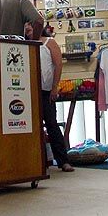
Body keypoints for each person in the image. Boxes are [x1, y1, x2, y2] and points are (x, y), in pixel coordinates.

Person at [35, 25, 74, 172]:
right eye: (26, 27)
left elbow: (58, 65)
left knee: (51, 124)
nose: (28, 29)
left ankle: (63, 161)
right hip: (28, 92)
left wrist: (54, 87)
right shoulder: (22, 42)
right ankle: (39, 161)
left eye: (31, 27)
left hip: (46, 91)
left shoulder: (49, 42)